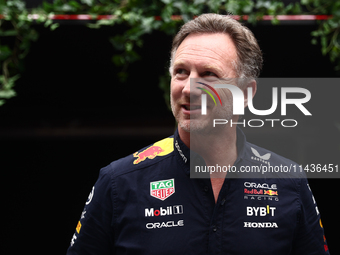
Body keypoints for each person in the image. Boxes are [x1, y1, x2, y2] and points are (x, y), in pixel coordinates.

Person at [66, 13, 330, 255]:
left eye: (208, 74)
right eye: (181, 72)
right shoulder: (118, 182)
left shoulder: (289, 182)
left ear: (247, 93)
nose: (189, 88)